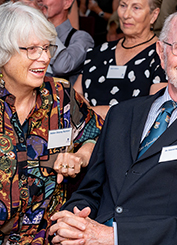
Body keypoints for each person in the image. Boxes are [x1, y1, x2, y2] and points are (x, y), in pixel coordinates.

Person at [49, 8, 177, 244]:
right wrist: (75, 222)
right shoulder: (122, 114)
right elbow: (89, 191)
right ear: (161, 51)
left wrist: (111, 236)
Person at [0, 2, 103, 244]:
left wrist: (80, 157)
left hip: (48, 237)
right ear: (4, 51)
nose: (45, 58)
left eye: (47, 48)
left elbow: (98, 133)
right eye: (33, 49)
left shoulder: (60, 95)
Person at [74, 0, 167, 119]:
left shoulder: (162, 56)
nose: (126, 15)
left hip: (130, 136)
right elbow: (75, 96)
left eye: (136, 8)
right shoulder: (99, 52)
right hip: (88, 134)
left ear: (153, 15)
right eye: (123, 6)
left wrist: (102, 113)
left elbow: (154, 112)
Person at [40, 0, 95, 85]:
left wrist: (45, 28)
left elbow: (62, 67)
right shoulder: (32, 36)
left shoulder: (82, 38)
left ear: (67, 3)